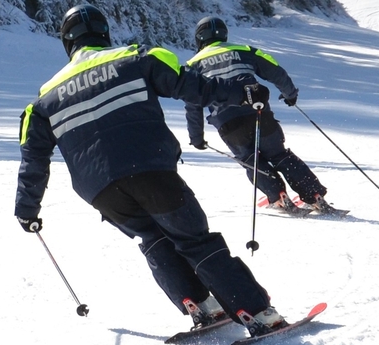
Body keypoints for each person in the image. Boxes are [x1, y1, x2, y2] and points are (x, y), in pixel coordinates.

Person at [15, 4, 286, 337]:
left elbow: (33, 157)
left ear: (66, 43)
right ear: (104, 32)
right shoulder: (136, 57)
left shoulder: (44, 98)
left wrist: (26, 209)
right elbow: (195, 86)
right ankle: (259, 313)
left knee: (152, 239)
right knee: (194, 240)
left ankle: (200, 306)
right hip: (149, 170)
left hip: (100, 191)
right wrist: (242, 92)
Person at [185, 16, 334, 215]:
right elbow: (276, 71)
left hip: (228, 123)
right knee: (280, 155)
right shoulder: (245, 51)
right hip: (259, 112)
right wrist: (290, 94)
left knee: (250, 159)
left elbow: (192, 103)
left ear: (199, 38)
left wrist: (196, 138)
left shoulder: (193, 65)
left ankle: (278, 196)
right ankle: (314, 194)